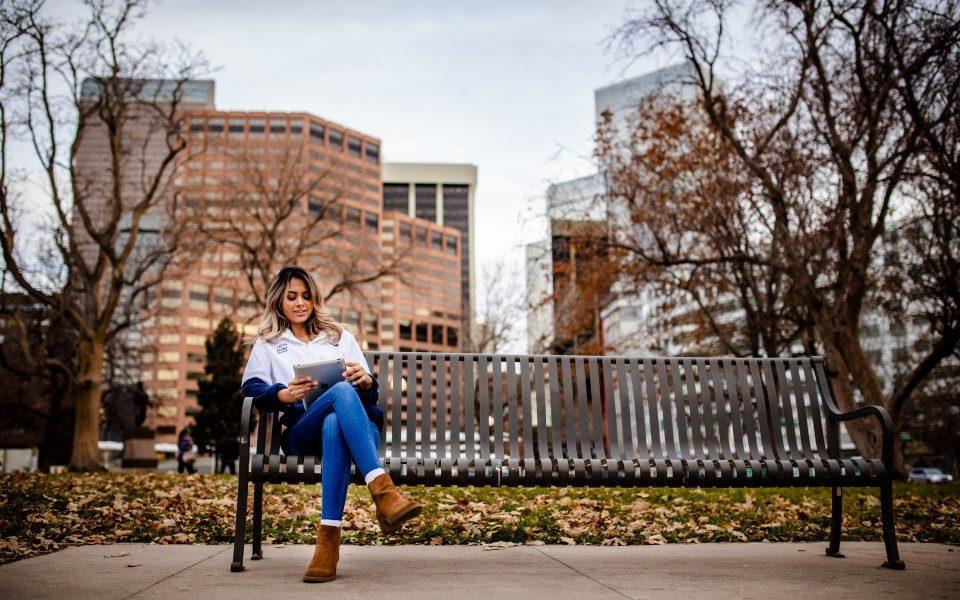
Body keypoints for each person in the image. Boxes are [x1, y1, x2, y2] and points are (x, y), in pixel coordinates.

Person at [240, 266, 421, 583]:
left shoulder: (339, 337)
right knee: (339, 391)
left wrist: (365, 380)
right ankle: (383, 491)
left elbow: (371, 390)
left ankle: (328, 546)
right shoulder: (268, 344)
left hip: (357, 427)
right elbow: (251, 391)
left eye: (306, 297)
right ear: (279, 301)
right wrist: (283, 393)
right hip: (302, 431)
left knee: (336, 420)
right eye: (292, 297)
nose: (300, 303)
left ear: (315, 300)